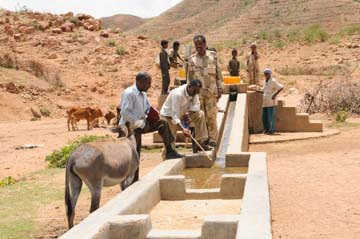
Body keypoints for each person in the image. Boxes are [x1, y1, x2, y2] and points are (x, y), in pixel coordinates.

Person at [119, 72, 183, 166]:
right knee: (135, 153)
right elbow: (125, 113)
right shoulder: (129, 93)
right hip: (130, 126)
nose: (149, 86)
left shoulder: (143, 94)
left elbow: (147, 108)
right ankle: (132, 179)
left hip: (142, 123)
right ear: (141, 82)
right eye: (148, 83)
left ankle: (169, 151)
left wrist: (154, 114)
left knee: (162, 123)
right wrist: (139, 122)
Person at [188, 35, 223, 148]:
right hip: (198, 95)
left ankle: (213, 139)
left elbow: (219, 74)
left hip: (211, 93)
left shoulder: (213, 57)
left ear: (205, 43)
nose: (198, 46)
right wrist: (190, 94)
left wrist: (220, 88)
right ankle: (203, 139)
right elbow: (189, 78)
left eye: (200, 44)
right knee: (200, 118)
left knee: (211, 116)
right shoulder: (192, 59)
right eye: (196, 44)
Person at [160, 80, 212, 153]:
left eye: (197, 92)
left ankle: (199, 142)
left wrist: (187, 113)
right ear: (189, 86)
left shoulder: (194, 93)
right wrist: (183, 129)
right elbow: (174, 116)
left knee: (200, 114)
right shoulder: (178, 94)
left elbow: (196, 106)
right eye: (194, 91)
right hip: (169, 117)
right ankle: (167, 158)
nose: (195, 94)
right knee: (170, 143)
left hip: (182, 113)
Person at [262, 69, 284, 135]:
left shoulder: (273, 81)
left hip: (271, 101)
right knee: (264, 117)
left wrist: (274, 95)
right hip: (265, 101)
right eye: (265, 74)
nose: (265, 75)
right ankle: (266, 129)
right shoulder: (264, 81)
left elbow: (281, 87)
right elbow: (264, 89)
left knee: (270, 116)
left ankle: (271, 130)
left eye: (267, 74)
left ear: (270, 74)